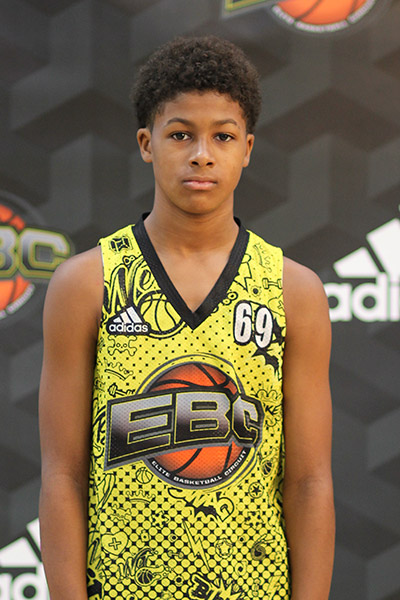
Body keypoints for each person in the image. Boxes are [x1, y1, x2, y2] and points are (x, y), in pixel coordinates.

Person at [39, 36, 335, 600]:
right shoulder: (87, 283)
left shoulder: (293, 291)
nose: (202, 154)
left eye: (222, 136)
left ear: (247, 148)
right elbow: (63, 476)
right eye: (180, 134)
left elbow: (308, 482)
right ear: (147, 144)